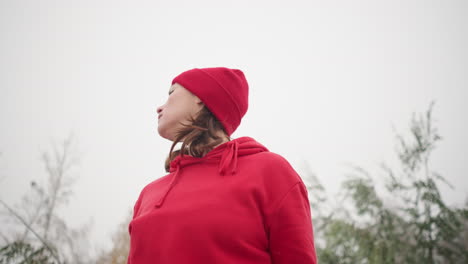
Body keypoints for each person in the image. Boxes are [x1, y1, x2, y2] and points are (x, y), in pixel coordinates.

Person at [127, 67, 317, 264]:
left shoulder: (269, 171)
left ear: (201, 97)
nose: (159, 108)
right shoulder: (148, 194)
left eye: (171, 93)